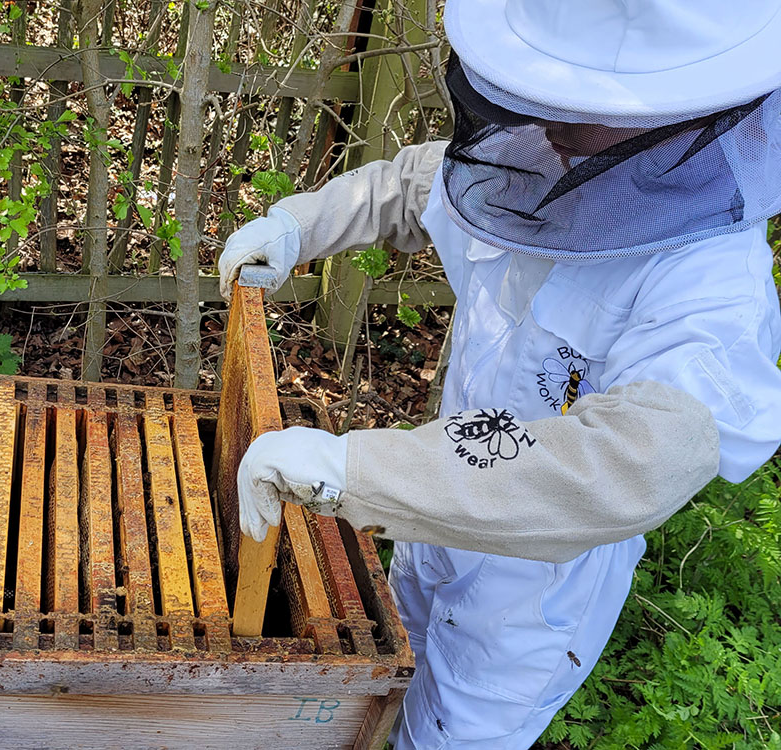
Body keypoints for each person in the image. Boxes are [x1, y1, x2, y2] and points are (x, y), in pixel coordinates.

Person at [218, 0, 781, 747]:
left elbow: (634, 464)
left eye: (579, 105)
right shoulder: (538, 157)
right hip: (431, 518)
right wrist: (301, 225)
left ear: (681, 114)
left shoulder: (714, 288)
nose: (543, 121)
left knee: (447, 735)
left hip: (528, 600)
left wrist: (356, 470)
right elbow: (416, 186)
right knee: (378, 702)